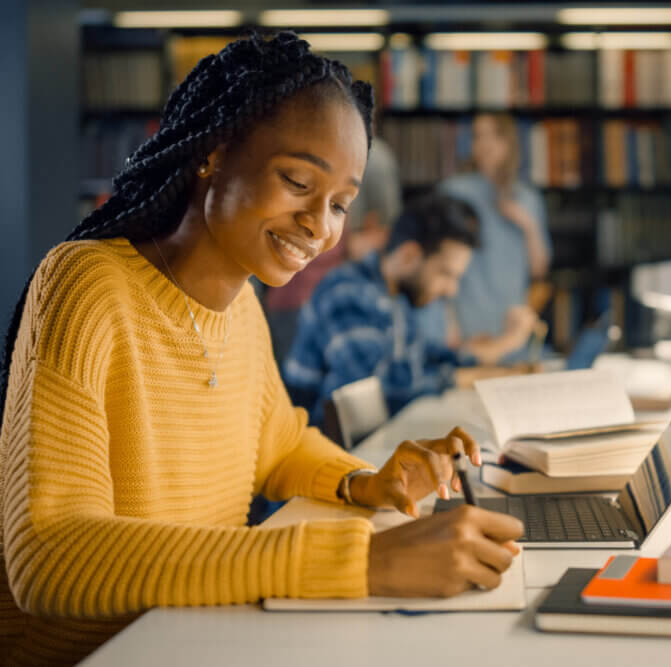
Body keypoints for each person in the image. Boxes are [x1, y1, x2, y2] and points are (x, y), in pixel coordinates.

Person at [0, 34, 521, 666]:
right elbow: (52, 557)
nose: (319, 226)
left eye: (340, 205)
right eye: (298, 181)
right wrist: (360, 561)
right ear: (212, 155)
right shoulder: (85, 285)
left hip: (199, 637)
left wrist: (366, 482)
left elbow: (277, 444)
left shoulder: (241, 306)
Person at [283, 193, 536, 425]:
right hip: (318, 453)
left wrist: (479, 357)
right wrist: (473, 374)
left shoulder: (394, 297)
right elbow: (375, 391)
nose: (451, 290)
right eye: (446, 274)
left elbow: (416, 358)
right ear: (409, 255)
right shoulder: (347, 293)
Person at [417, 112, 552, 359]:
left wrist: (528, 226)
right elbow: (434, 263)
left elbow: (540, 269)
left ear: (509, 142)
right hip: (469, 324)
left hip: (511, 325)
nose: (486, 144)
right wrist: (447, 320)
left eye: (494, 136)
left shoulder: (527, 198)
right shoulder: (454, 191)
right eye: (479, 136)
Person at [262, 133, 402, 361]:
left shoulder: (374, 159)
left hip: (326, 298)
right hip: (291, 299)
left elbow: (383, 233)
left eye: (339, 204)